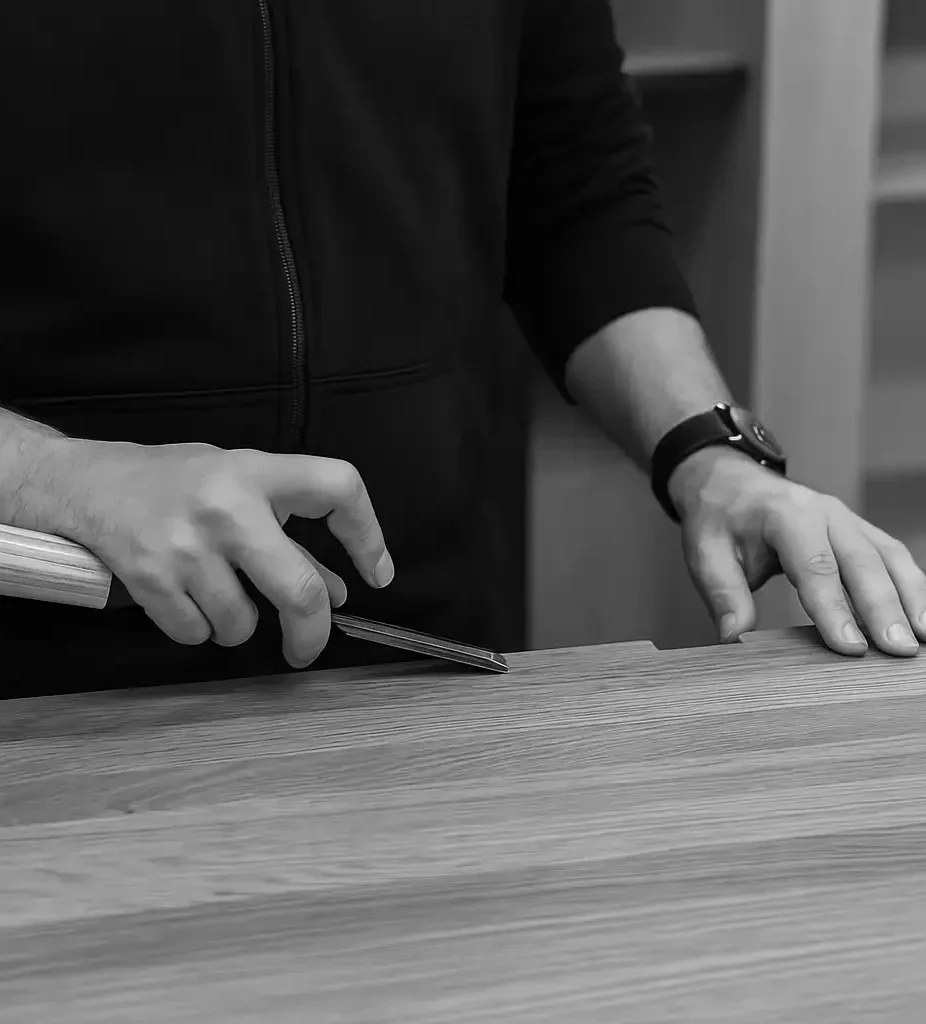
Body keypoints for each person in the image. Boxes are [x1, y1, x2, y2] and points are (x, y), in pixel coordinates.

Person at [2, 1, 923, 697]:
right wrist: (69, 480)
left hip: (424, 652)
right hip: (49, 668)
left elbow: (576, 186)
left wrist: (711, 455)